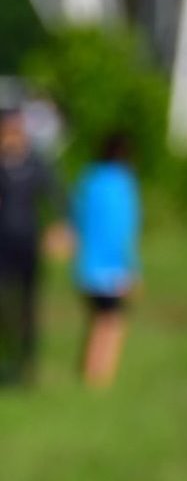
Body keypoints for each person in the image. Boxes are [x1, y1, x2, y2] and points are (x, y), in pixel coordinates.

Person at [71, 132, 141, 387]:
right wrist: (133, 268)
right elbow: (124, 230)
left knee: (97, 319)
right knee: (113, 322)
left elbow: (77, 218)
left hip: (87, 265)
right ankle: (103, 376)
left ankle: (90, 370)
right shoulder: (123, 184)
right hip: (113, 266)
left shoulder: (89, 180)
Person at [0, 107, 62, 385]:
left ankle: (26, 364)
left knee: (27, 306)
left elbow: (59, 197)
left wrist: (61, 228)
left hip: (26, 245)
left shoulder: (36, 163)